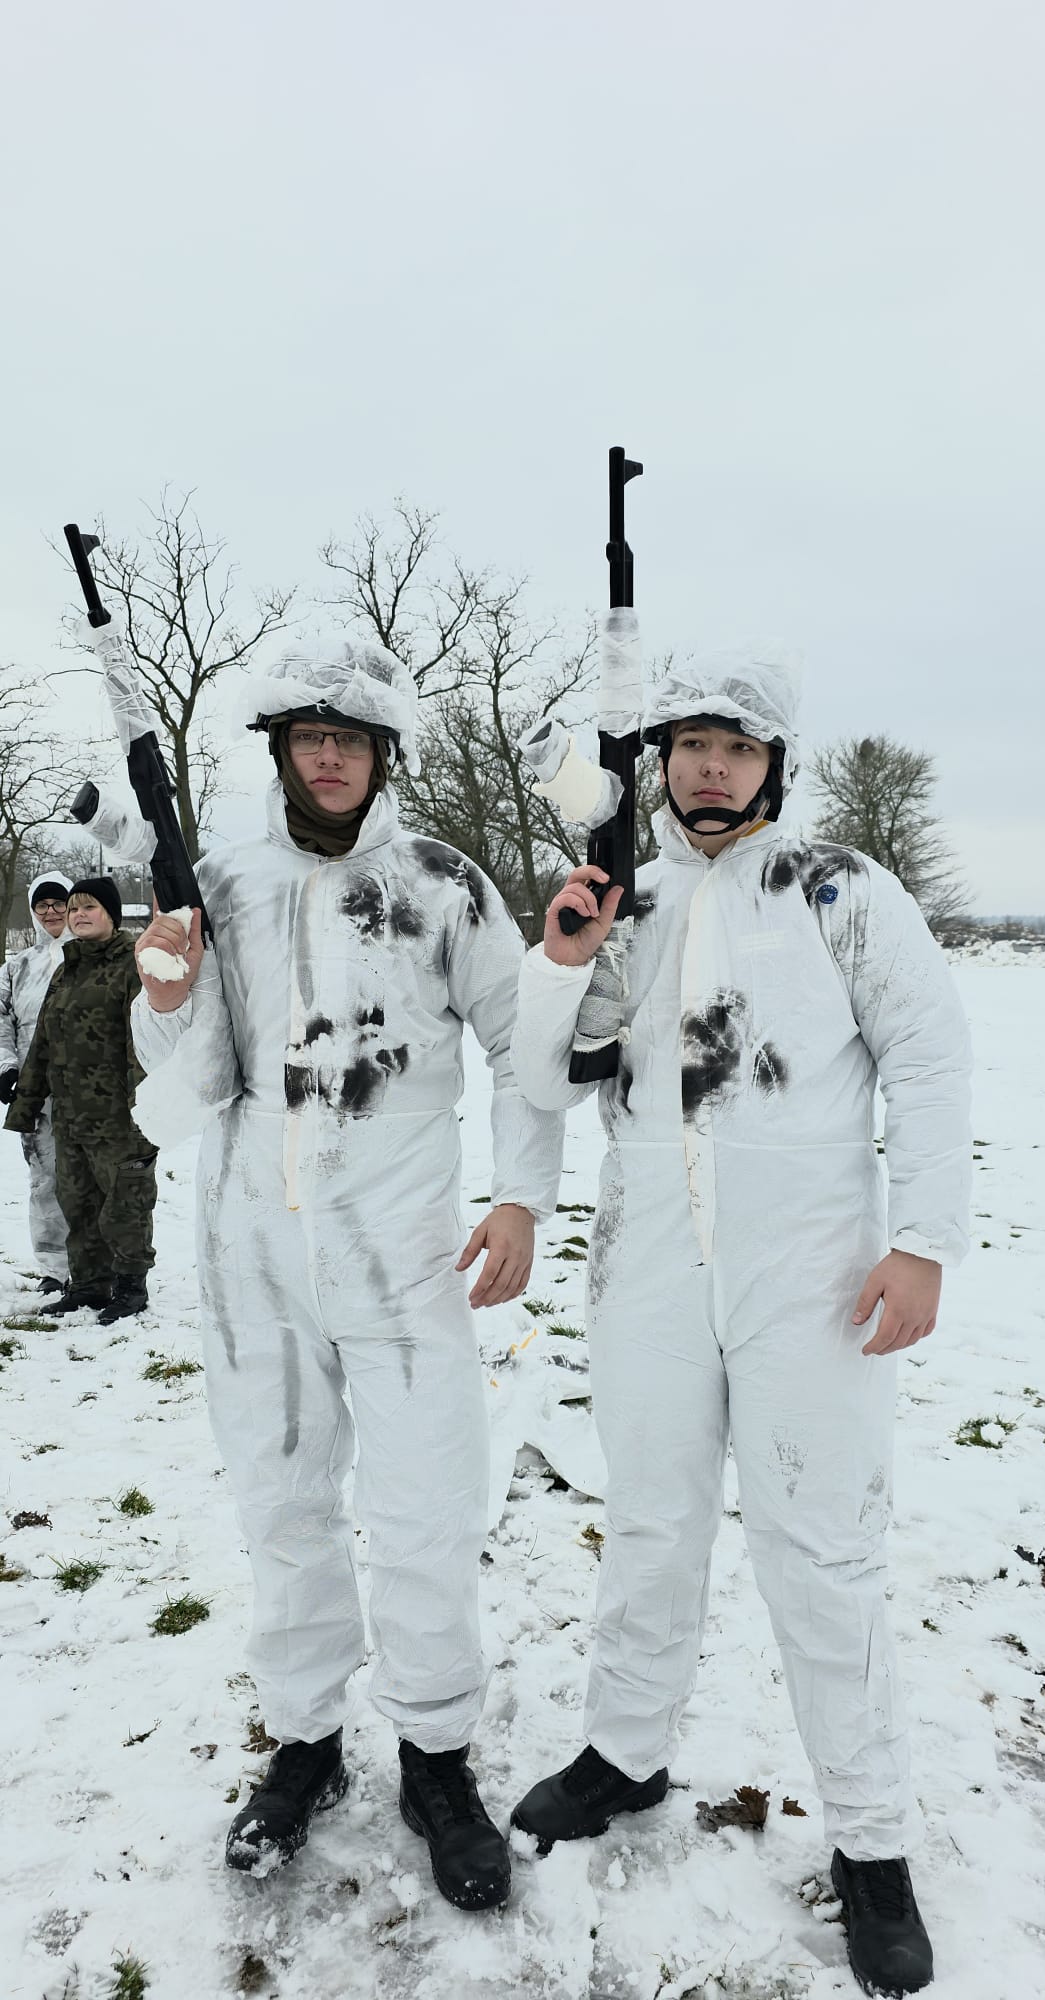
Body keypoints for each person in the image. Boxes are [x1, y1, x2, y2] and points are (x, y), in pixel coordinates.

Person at [508, 653, 972, 1998]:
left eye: (738, 745)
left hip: (810, 1275)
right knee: (650, 1522)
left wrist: (922, 1239)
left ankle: (870, 1839)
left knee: (819, 1550)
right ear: (657, 762)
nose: (711, 767)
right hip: (650, 1262)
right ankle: (625, 1751)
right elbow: (541, 1072)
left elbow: (928, 1054)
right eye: (690, 745)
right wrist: (562, 956)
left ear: (774, 763)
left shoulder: (837, 888)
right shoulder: (621, 897)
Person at [128, 637, 563, 1910]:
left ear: (383, 755)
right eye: (309, 735)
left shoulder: (442, 881)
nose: (329, 756)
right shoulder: (223, 883)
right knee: (283, 1501)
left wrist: (521, 1195)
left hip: (402, 1251)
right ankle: (305, 1741)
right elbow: (180, 1083)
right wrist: (166, 992)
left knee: (427, 1504)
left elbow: (523, 1041)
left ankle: (436, 1754)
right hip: (252, 1249)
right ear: (279, 749)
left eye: (351, 738)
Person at [5, 877, 158, 1326]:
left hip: (119, 1117)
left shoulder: (134, 964)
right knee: (77, 1204)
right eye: (73, 909)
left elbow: (142, 1044)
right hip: (70, 1117)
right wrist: (26, 1103)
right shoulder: (66, 968)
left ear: (111, 914)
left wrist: (143, 1111)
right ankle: (89, 1285)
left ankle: (130, 1287)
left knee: (125, 1205)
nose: (77, 915)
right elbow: (43, 1044)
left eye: (88, 907)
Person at [0, 874, 72, 1292]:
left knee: (92, 1174)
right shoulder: (17, 967)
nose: (51, 911)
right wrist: (7, 1067)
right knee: (45, 1177)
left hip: (88, 1085)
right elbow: (2, 1020)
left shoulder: (92, 957)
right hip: (34, 1088)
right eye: (42, 905)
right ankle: (54, 1267)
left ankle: (97, 1265)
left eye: (59, 902)